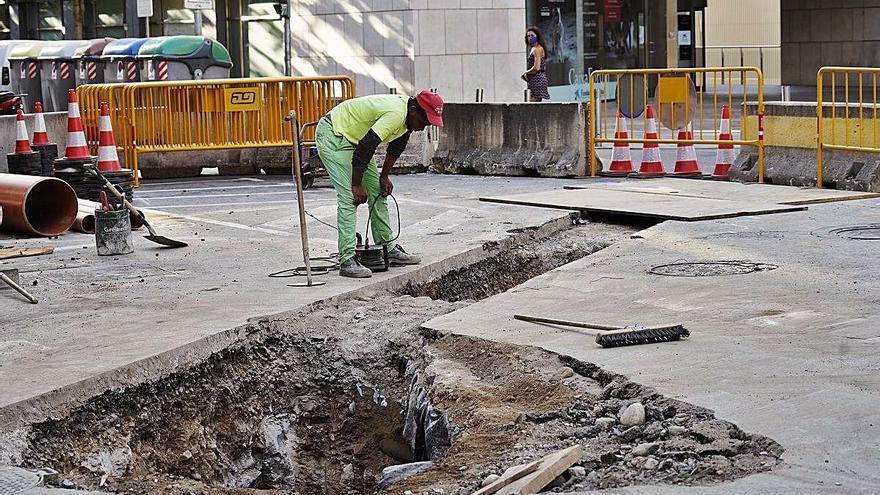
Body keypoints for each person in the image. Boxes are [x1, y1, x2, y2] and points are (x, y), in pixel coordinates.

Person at [315, 90, 445, 278]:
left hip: (355, 140)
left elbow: (396, 147)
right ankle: (347, 259)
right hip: (335, 135)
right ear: (415, 109)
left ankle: (387, 247)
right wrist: (357, 184)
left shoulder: (408, 119)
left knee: (378, 192)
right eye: (425, 120)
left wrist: (384, 176)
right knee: (350, 198)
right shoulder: (396, 114)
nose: (424, 126)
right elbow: (368, 145)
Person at [522, 27, 550, 102]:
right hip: (534, 79)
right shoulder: (533, 48)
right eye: (528, 36)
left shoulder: (538, 49)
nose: (530, 38)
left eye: (532, 35)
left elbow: (536, 67)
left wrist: (526, 73)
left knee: (532, 105)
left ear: (537, 36)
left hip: (537, 79)